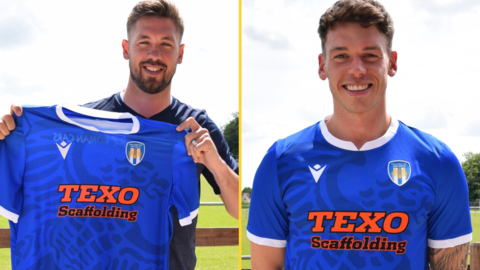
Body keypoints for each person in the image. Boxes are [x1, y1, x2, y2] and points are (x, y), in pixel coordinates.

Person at [0, 1, 239, 269]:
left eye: (166, 44)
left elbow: (238, 211)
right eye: (144, 42)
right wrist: (7, 138)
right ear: (126, 49)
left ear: (180, 54)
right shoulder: (84, 124)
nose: (155, 54)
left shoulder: (195, 127)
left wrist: (216, 164)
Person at [246, 0, 471, 269]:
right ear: (322, 66)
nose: (357, 70)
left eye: (370, 55)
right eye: (341, 55)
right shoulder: (281, 161)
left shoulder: (437, 161)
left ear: (392, 63)